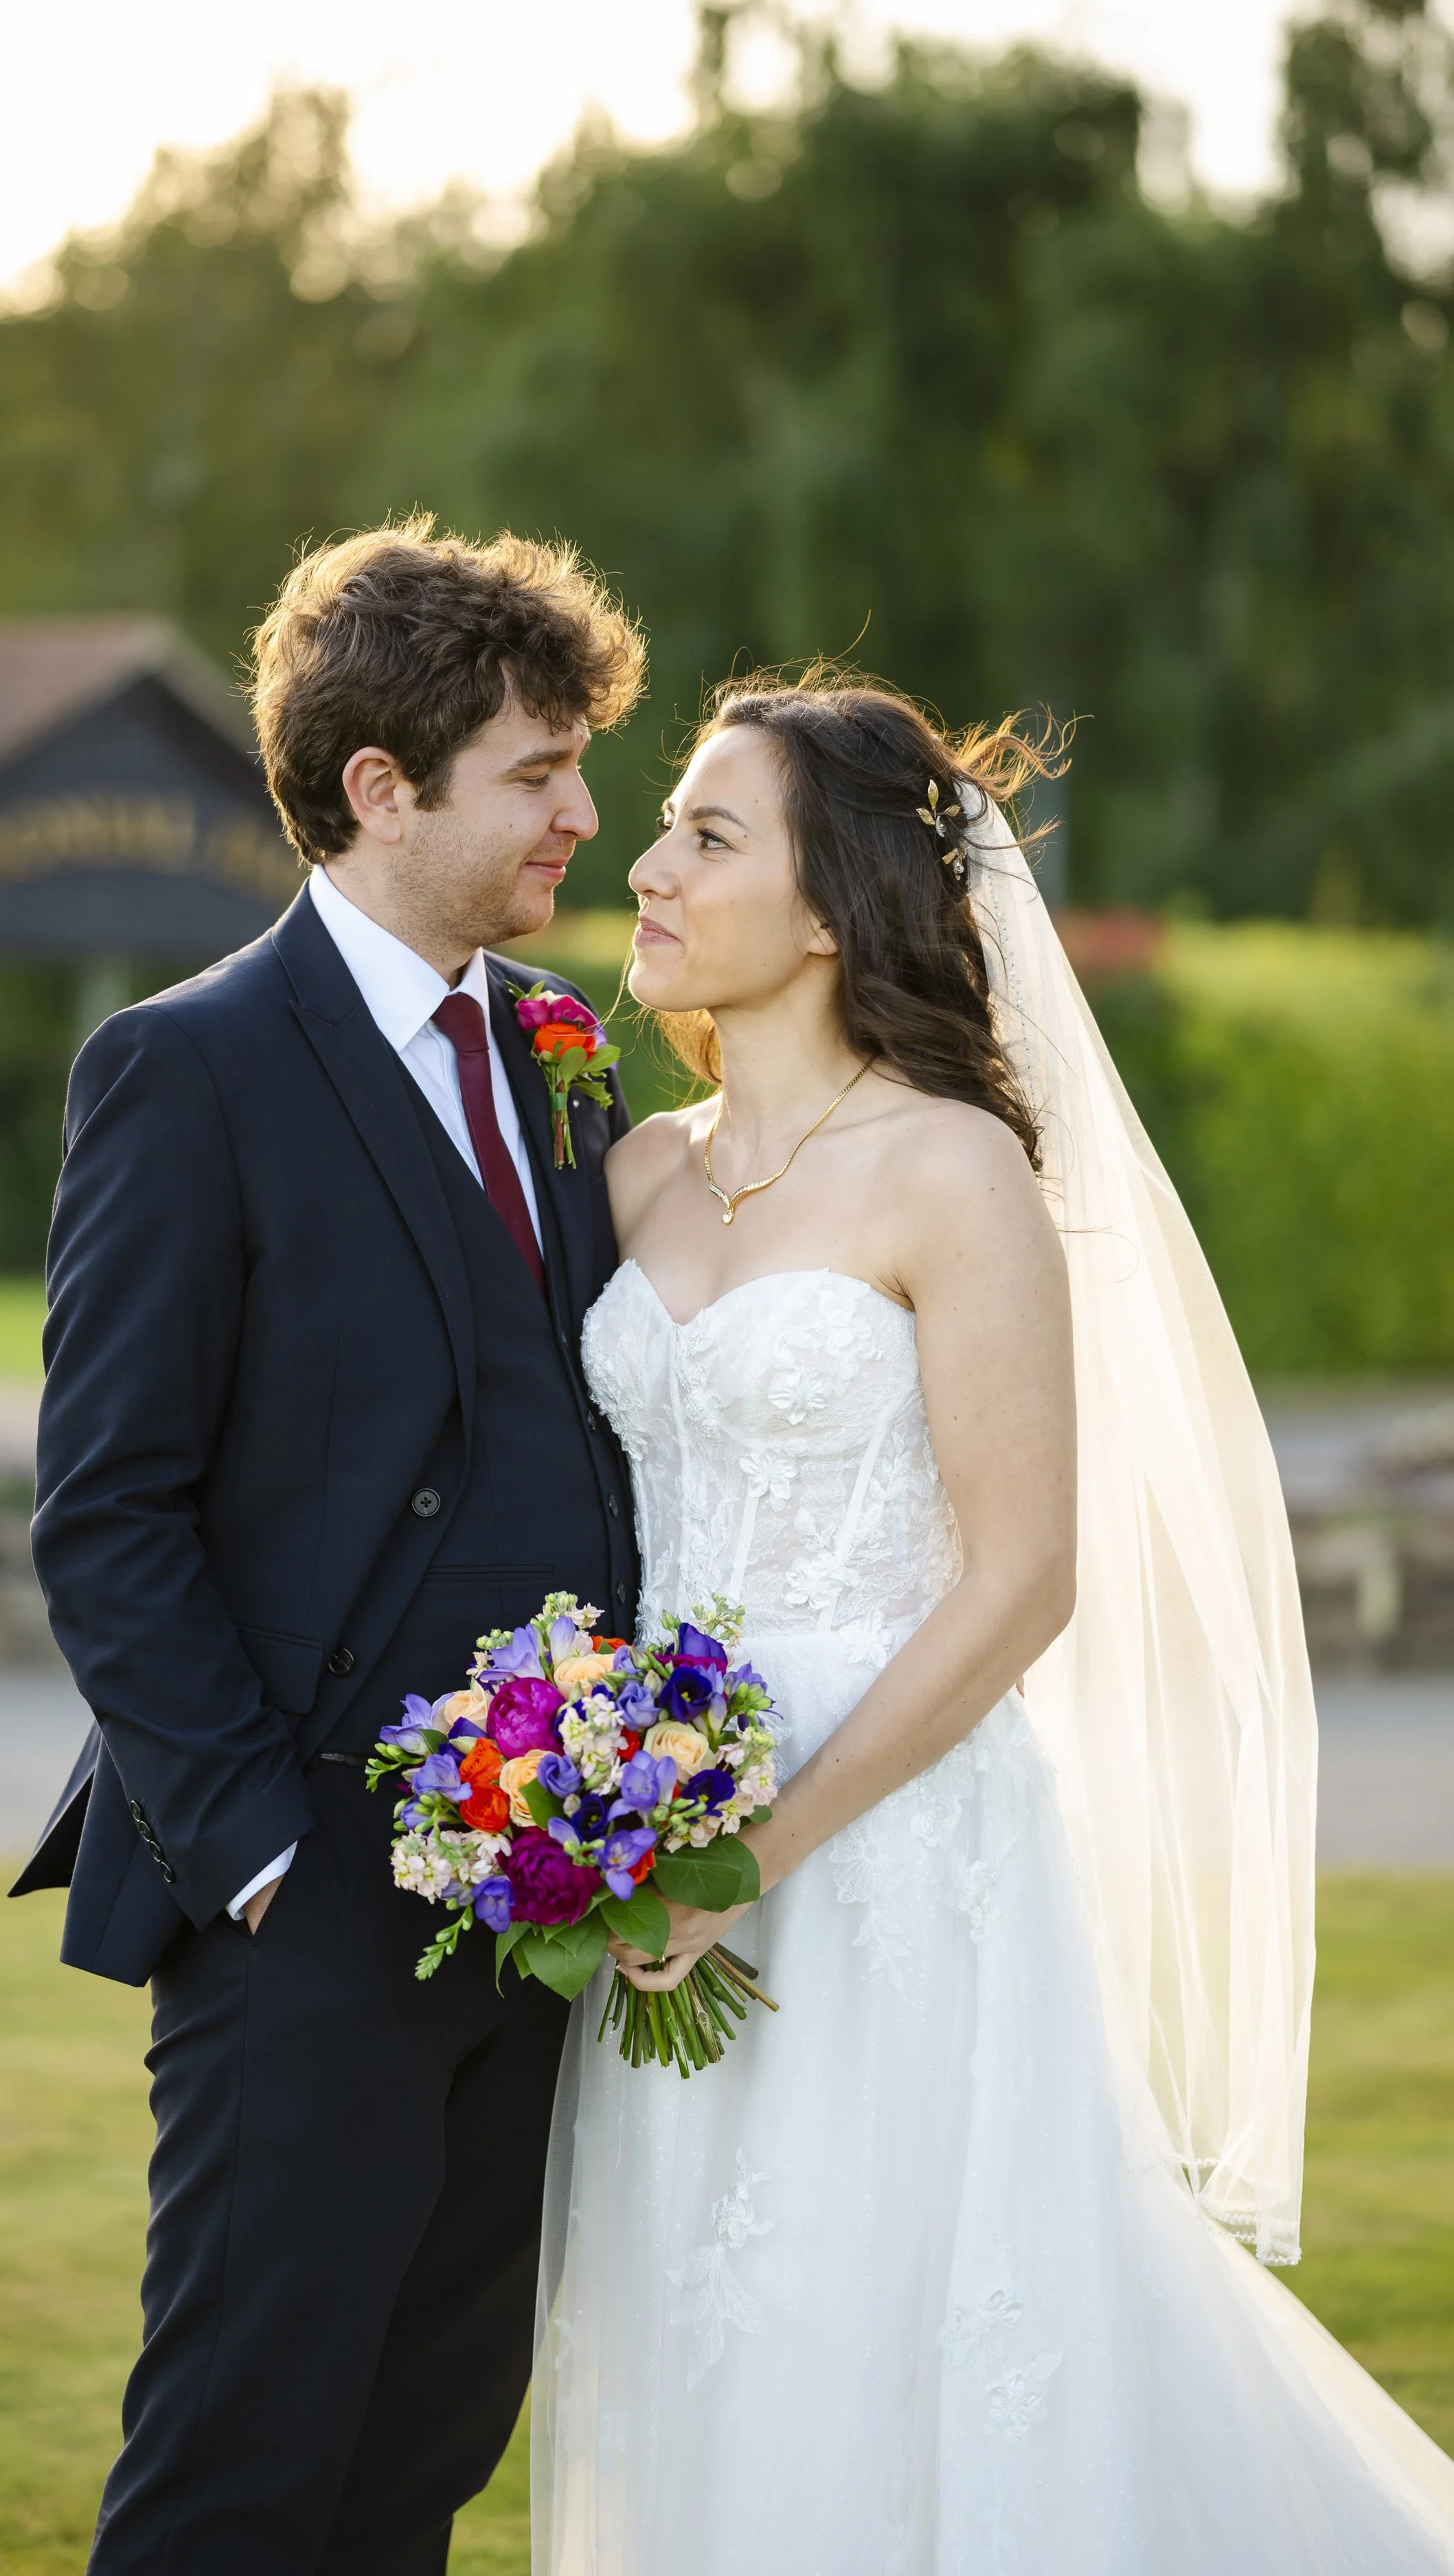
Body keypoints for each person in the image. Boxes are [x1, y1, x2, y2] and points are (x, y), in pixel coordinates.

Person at [533, 674, 1454, 2573]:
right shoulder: (631, 1170)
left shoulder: (953, 1170)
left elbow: (1022, 1574)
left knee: (902, 2322)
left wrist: (754, 1847)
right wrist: (613, 1819)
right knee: (707, 2326)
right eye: (662, 820)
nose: (644, 861)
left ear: (829, 903)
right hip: (653, 1844)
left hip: (889, 1847)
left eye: (708, 831)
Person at [10, 519, 646, 2575]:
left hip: (539, 1886)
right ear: (382, 786)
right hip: (301, 1900)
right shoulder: (183, 1067)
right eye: (537, 770)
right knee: (237, 2467)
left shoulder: (555, 1046)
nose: (582, 809)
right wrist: (262, 1855)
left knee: (423, 2455)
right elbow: (107, 1506)